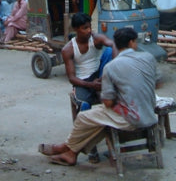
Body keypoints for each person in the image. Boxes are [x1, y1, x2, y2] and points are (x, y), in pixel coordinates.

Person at [38, 26, 159, 167]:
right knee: (99, 120)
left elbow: (107, 102)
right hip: (150, 112)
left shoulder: (111, 66)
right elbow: (156, 82)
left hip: (131, 117)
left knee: (84, 117)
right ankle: (71, 153)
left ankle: (66, 148)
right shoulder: (149, 58)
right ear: (132, 43)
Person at [62, 12, 116, 112]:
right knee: (83, 105)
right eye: (85, 28)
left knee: (110, 50)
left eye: (90, 27)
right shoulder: (68, 49)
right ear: (76, 29)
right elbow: (72, 78)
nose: (89, 31)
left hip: (99, 74)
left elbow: (113, 45)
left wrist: (102, 79)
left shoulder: (96, 38)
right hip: (83, 80)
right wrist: (91, 85)